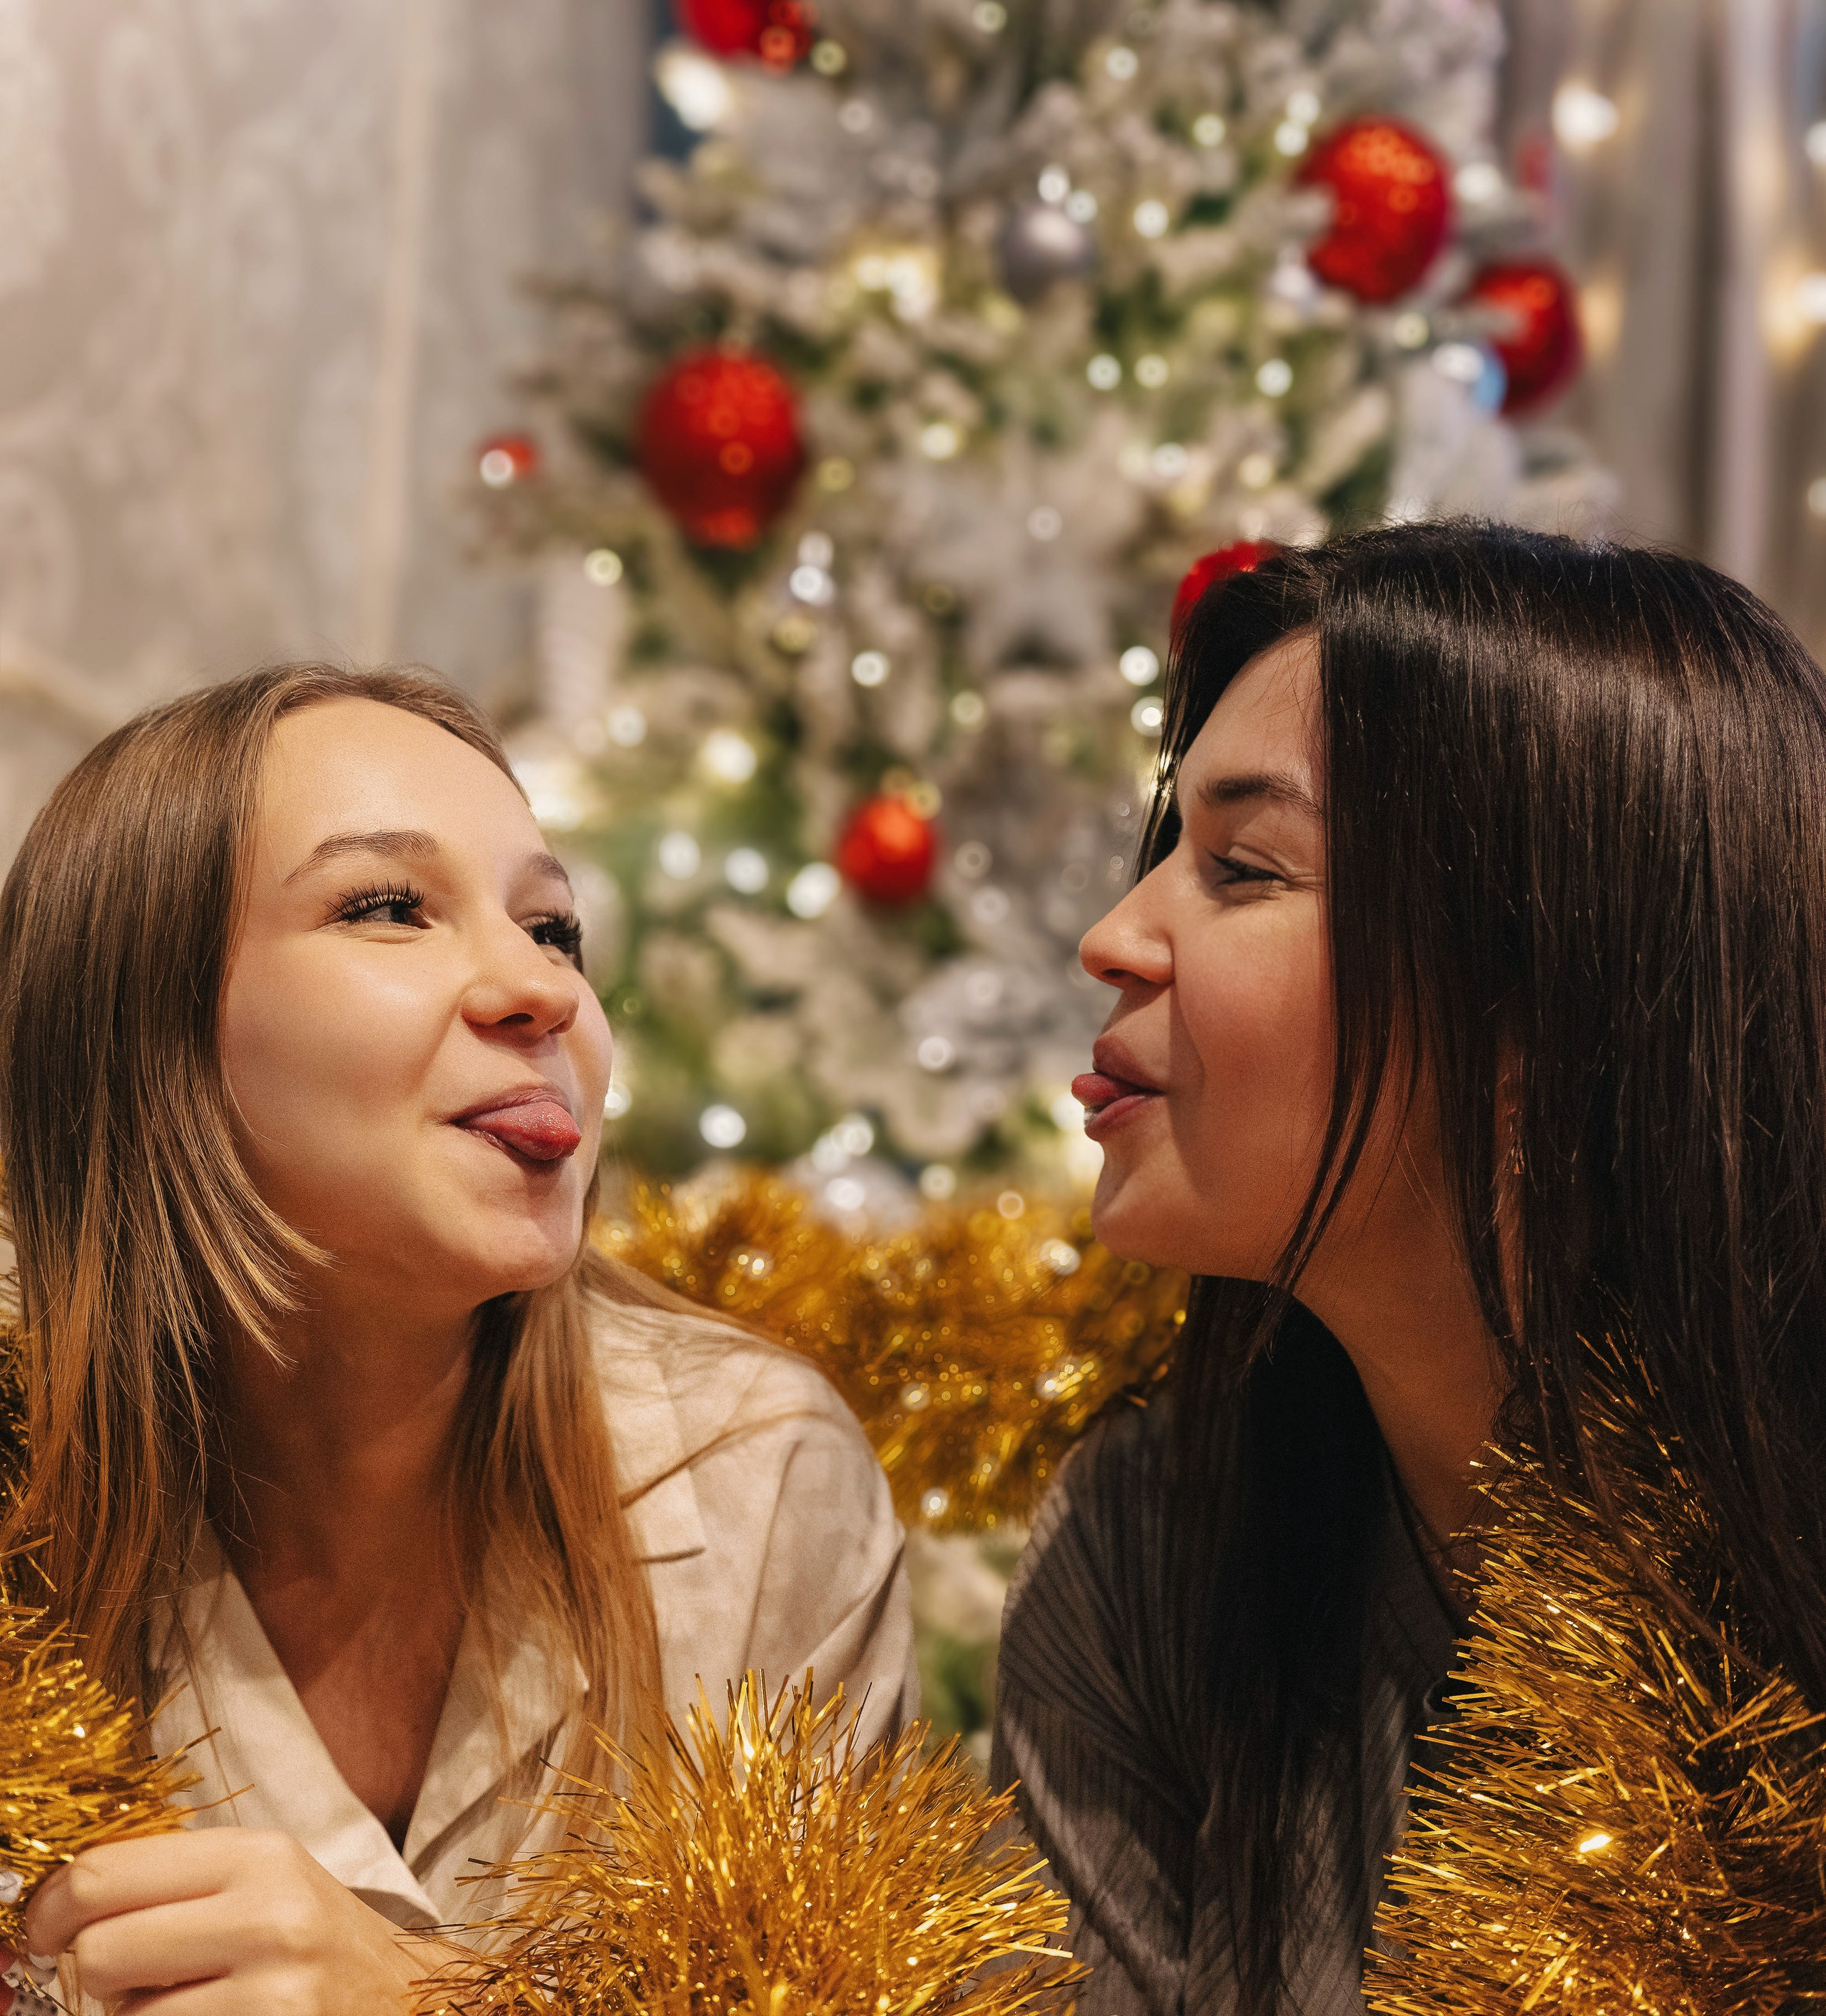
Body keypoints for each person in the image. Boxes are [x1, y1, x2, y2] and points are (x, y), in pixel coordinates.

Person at [992, 523, 1826, 2016]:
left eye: (1242, 869)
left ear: (1545, 995)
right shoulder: (1148, 1547)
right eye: (1166, 853)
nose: (1112, 937)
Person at [0, 664, 916, 2015]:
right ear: (143, 1025)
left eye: (554, 929)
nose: (536, 990)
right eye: (387, 906)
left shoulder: (753, 1479)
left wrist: (435, 2002)